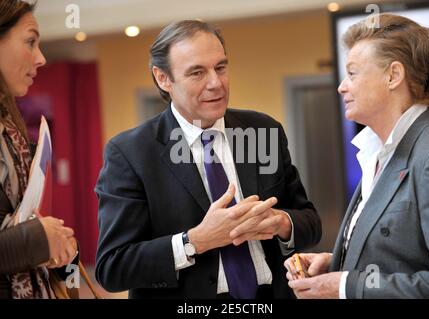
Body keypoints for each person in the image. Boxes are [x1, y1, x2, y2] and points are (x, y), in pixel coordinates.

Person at [95, 20, 321, 299]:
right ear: (163, 78)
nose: (216, 83)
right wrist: (195, 241)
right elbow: (113, 267)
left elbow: (310, 222)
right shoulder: (130, 153)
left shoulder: (264, 131)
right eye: (197, 73)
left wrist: (281, 222)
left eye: (221, 68)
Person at [285, 13, 429, 299]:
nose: (342, 86)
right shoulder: (377, 150)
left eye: (352, 73)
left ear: (393, 76)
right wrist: (336, 262)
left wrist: (346, 285)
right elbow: (397, 252)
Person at [0, 0, 78, 299]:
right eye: (30, 42)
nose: (41, 58)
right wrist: (38, 238)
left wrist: (59, 247)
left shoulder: (12, 133)